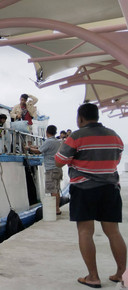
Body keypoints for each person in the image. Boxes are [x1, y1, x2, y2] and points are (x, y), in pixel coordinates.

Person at [55, 103, 125, 288]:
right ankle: (120, 274)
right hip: (110, 188)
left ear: (80, 119)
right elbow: (115, 160)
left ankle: (93, 277)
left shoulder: (76, 136)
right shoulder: (115, 136)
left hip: (84, 189)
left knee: (85, 232)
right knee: (114, 232)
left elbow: (59, 161)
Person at [25, 125, 62, 215]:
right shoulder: (57, 141)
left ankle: (55, 210)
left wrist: (29, 148)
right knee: (56, 190)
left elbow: (39, 151)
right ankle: (57, 208)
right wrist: (36, 147)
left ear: (47, 132)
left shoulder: (48, 141)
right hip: (58, 168)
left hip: (51, 169)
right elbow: (43, 148)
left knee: (52, 191)